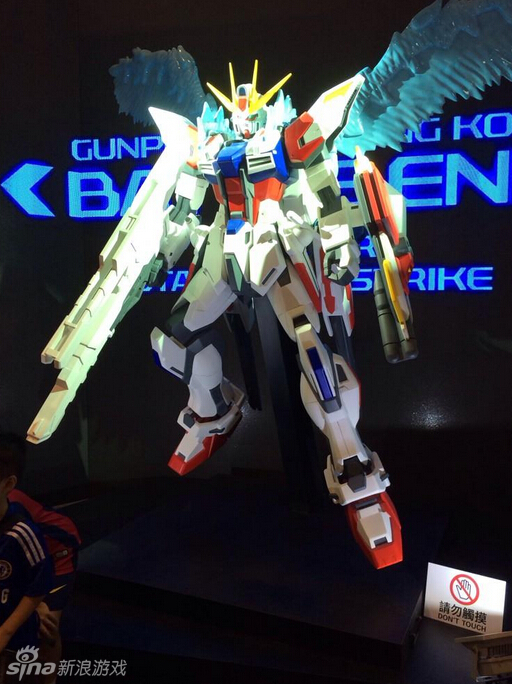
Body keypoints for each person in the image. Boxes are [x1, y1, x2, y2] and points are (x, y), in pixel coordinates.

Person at [0, 434, 81, 684]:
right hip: (26, 556)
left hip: (57, 551)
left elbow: (37, 568)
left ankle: (49, 679)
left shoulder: (18, 519)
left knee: (46, 626)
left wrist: (38, 603)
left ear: (9, 484)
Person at [0, 435, 53, 676]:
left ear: (8, 484)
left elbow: (40, 581)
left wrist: (6, 631)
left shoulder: (21, 533)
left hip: (16, 644)